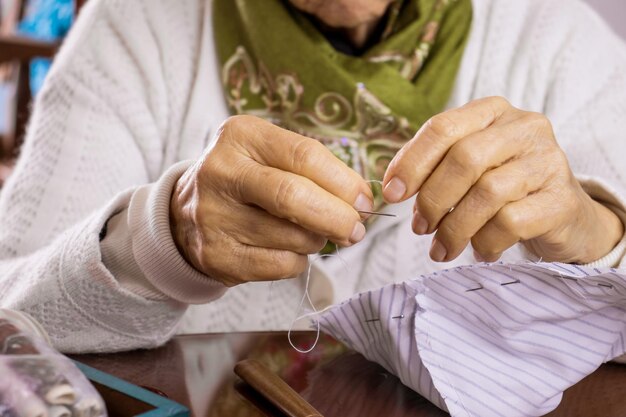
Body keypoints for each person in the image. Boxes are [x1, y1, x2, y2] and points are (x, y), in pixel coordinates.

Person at [0, 0, 625, 354]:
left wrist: (595, 233)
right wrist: (159, 238)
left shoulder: (557, 35)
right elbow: (11, 322)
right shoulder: (135, 25)